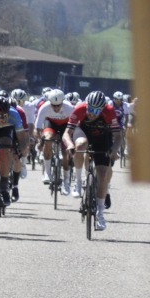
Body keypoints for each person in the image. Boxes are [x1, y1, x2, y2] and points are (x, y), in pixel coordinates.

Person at [64, 90, 122, 230]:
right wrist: (70, 144)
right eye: (90, 108)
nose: (92, 113)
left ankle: (100, 213)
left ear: (102, 108)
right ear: (86, 105)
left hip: (103, 137)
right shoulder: (80, 109)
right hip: (83, 133)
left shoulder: (109, 111)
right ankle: (78, 183)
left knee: (102, 175)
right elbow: (67, 133)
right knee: (80, 144)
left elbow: (118, 136)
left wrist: (114, 150)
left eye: (96, 110)